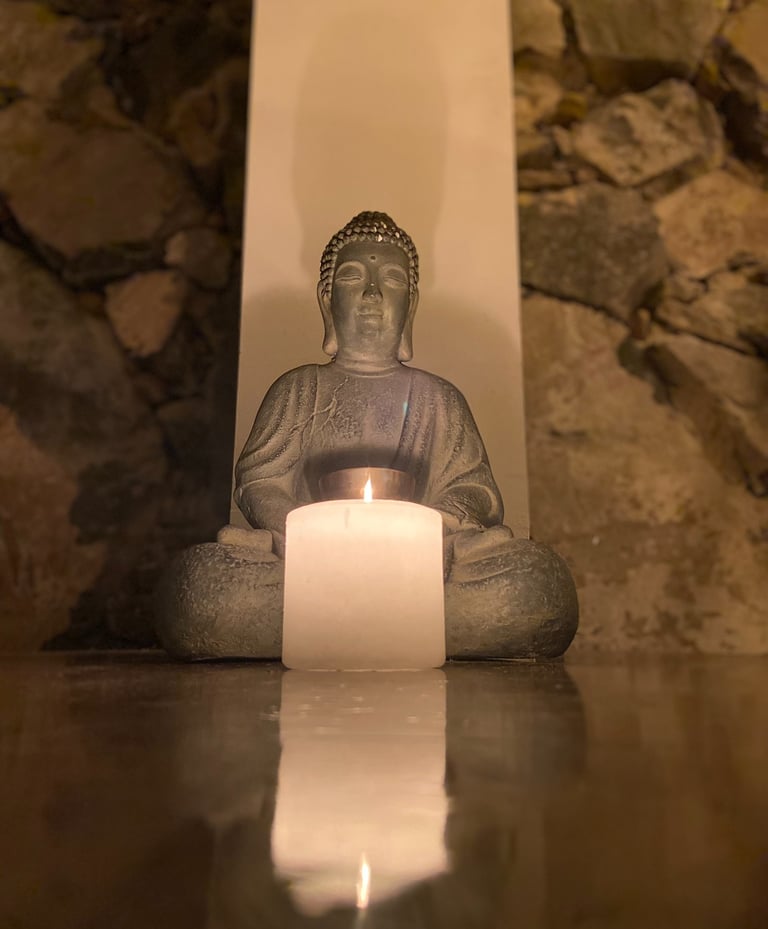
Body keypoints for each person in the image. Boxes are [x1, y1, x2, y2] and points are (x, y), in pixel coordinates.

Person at [157, 212, 577, 660]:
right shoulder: (297, 389)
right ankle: (406, 628)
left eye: (392, 280)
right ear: (327, 300)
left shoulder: (438, 398)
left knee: (536, 585)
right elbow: (259, 483)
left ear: (410, 305)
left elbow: (473, 491)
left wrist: (426, 534)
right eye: (353, 277)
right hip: (309, 567)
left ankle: (326, 630)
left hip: (419, 567)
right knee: (199, 590)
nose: (372, 294)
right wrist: (313, 540)